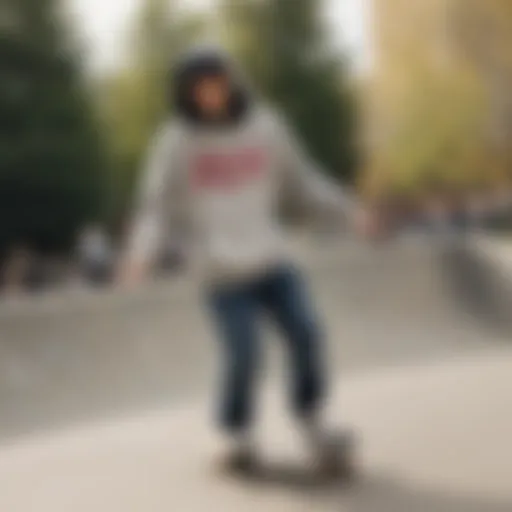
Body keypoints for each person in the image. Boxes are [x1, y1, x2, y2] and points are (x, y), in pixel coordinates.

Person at [118, 48, 374, 475]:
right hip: (222, 275)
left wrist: (349, 210)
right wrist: (139, 255)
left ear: (232, 82)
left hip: (273, 261)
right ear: (185, 95)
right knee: (244, 354)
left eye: (217, 86)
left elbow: (303, 181)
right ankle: (236, 434)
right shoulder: (176, 141)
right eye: (199, 90)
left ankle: (312, 421)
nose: (211, 97)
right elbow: (156, 208)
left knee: (307, 331)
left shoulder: (266, 126)